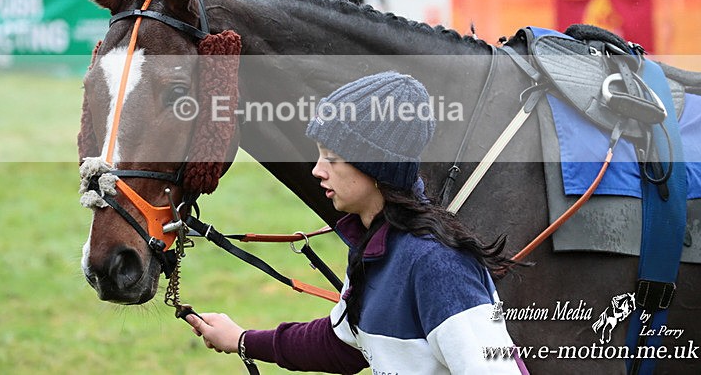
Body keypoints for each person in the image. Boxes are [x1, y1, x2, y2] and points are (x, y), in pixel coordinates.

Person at [185, 71, 525, 373]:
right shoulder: (375, 243)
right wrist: (242, 340)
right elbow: (341, 345)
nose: (317, 170)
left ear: (376, 166)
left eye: (332, 158)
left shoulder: (437, 265)